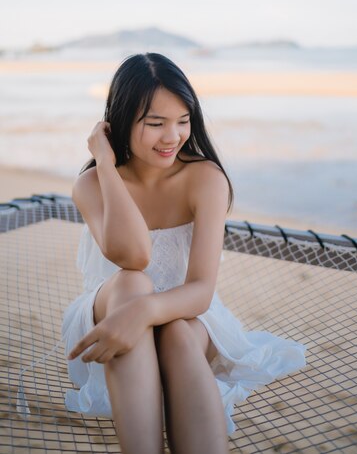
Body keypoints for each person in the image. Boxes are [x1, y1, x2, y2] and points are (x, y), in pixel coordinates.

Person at [62, 53, 306, 454]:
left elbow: (201, 292)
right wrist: (106, 163)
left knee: (175, 330)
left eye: (183, 120)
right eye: (155, 123)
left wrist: (141, 312)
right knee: (130, 282)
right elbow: (134, 256)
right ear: (121, 121)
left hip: (189, 314)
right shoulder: (91, 184)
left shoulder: (205, 179)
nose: (172, 136)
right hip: (109, 311)